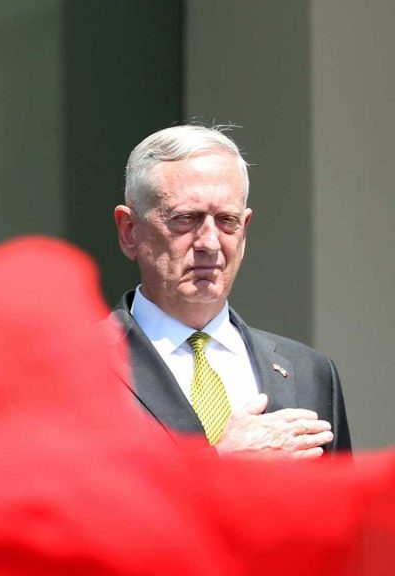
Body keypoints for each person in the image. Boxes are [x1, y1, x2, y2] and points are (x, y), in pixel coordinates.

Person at [110, 125, 351, 457]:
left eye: (227, 220)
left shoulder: (309, 372)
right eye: (185, 218)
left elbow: (340, 492)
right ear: (129, 231)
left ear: (245, 229)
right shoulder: (71, 370)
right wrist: (220, 461)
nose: (210, 243)